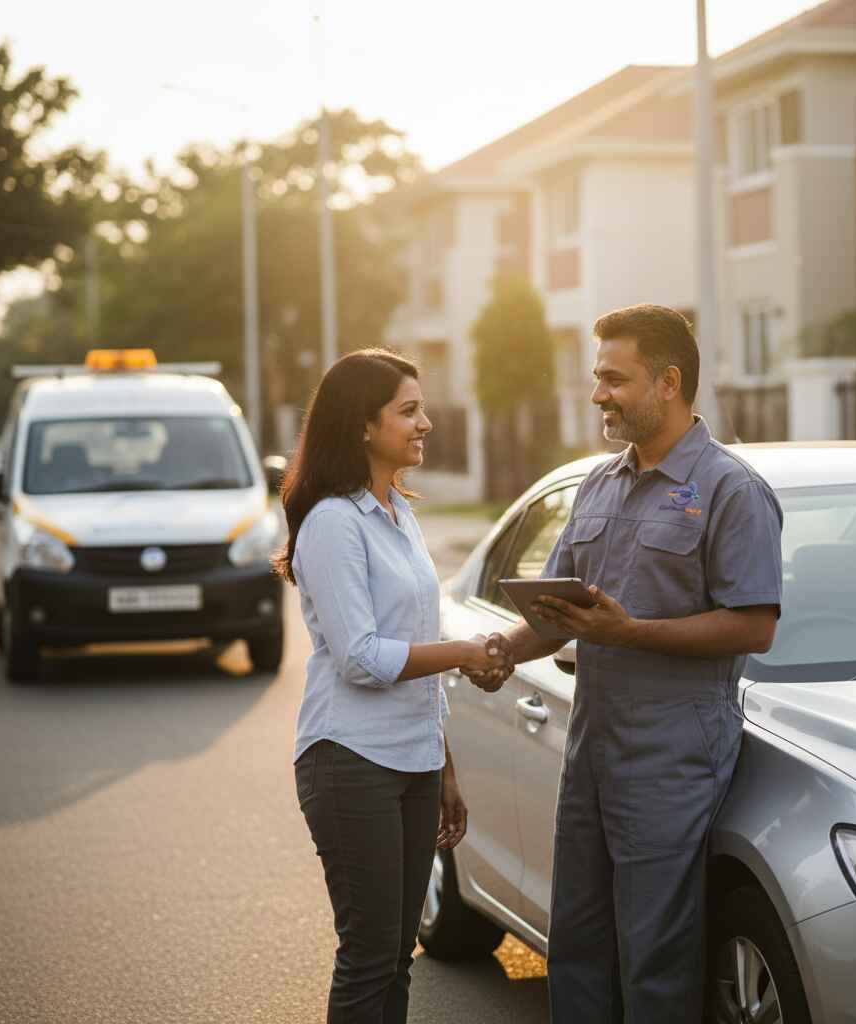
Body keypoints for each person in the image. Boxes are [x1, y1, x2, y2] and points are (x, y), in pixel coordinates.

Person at [466, 305, 783, 1022]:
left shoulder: (732, 490)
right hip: (591, 744)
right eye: (597, 377)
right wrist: (504, 650)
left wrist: (633, 632)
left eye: (614, 378)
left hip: (673, 750)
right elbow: (558, 612)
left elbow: (754, 625)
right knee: (575, 940)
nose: (598, 394)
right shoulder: (599, 484)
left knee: (656, 955)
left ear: (668, 383)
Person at [273, 348, 508, 1024]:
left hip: (413, 760)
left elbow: (411, 640)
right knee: (369, 958)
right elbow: (362, 659)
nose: (426, 423)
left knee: (397, 957)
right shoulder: (333, 523)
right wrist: (464, 651)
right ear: (362, 427)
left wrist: (446, 765)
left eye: (421, 408)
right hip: (351, 761)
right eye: (408, 411)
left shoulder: (399, 514)